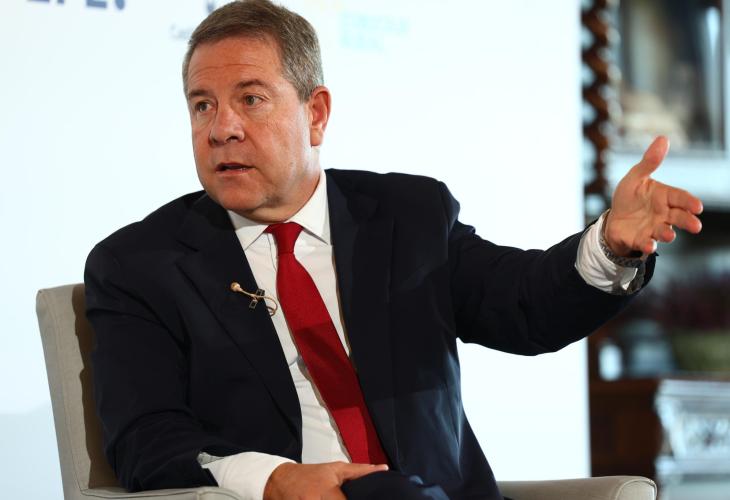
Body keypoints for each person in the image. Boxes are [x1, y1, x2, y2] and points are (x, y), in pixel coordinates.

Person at [84, 1, 703, 499]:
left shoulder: (408, 217)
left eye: (251, 98)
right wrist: (275, 481)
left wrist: (611, 244)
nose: (222, 128)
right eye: (202, 106)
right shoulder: (140, 266)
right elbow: (147, 441)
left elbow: (524, 304)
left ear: (316, 114)